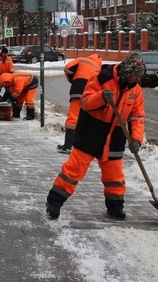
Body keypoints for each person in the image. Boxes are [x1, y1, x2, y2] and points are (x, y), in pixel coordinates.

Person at [45, 51, 147, 220]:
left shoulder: (135, 90)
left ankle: (115, 206)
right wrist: (101, 97)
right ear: (128, 72)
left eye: (140, 76)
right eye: (136, 75)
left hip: (115, 135)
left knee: (114, 175)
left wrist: (136, 139)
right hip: (91, 131)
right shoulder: (102, 78)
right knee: (73, 170)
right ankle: (54, 203)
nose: (138, 79)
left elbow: (137, 117)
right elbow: (85, 102)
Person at [57, 53, 103, 154]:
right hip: (91, 95)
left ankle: (68, 145)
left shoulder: (82, 60)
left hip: (77, 90)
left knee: (73, 118)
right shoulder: (99, 68)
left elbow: (68, 68)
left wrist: (72, 79)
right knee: (88, 119)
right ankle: (86, 146)